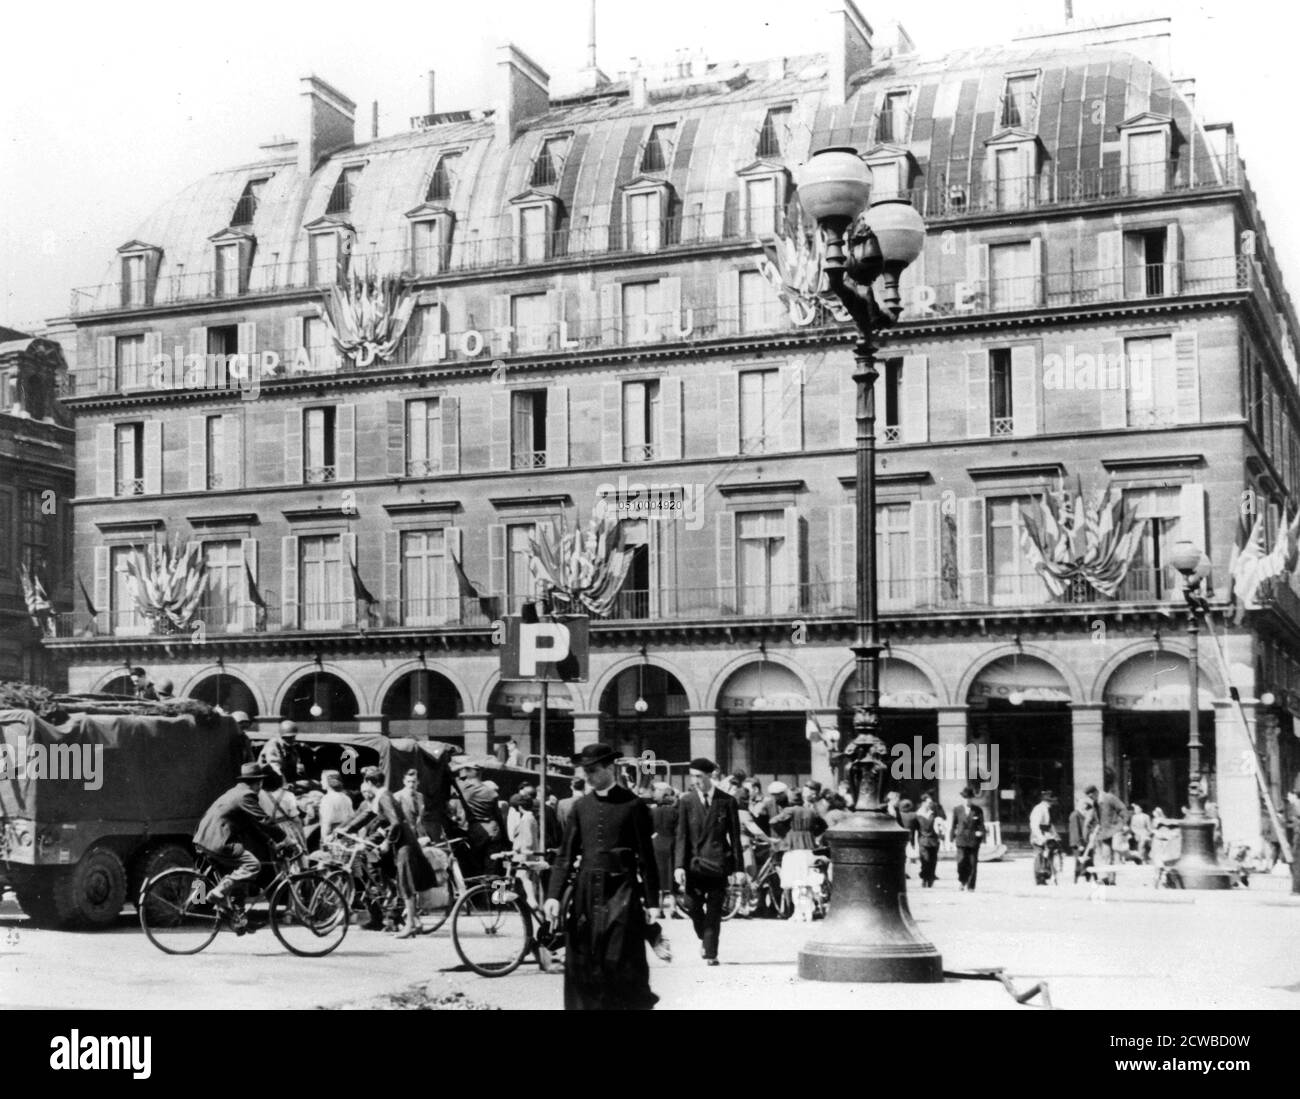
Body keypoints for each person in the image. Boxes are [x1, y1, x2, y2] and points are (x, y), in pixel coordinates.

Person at [544, 742, 661, 1010]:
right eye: (585, 771)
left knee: (620, 957)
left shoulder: (634, 806)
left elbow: (646, 857)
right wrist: (553, 895)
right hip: (586, 891)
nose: (588, 777)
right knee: (583, 958)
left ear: (610, 768)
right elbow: (565, 855)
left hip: (622, 888)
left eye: (593, 770)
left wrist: (653, 901)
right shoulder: (580, 807)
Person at [192, 763, 285, 932]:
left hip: (206, 838)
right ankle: (218, 891)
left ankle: (239, 919)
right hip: (218, 841)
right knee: (252, 865)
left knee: (240, 875)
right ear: (258, 783)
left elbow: (252, 826)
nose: (260, 788)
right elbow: (263, 820)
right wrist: (285, 839)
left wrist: (271, 842)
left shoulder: (235, 792)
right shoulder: (246, 795)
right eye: (260, 784)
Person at [673, 757, 744, 966]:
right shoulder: (686, 801)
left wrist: (739, 868)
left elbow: (735, 837)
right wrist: (678, 865)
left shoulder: (727, 801)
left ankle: (711, 952)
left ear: (710, 776)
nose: (695, 780)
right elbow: (681, 836)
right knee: (692, 905)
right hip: (694, 865)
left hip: (718, 864)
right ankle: (704, 937)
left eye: (699, 776)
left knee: (714, 910)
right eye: (692, 776)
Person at [453, 760, 505, 878]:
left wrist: (461, 765)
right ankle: (499, 895)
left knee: (478, 870)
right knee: (495, 869)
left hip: (475, 832)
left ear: (470, 772)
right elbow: (498, 817)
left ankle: (481, 894)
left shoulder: (465, 788)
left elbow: (450, 773)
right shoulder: (491, 792)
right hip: (494, 832)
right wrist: (505, 839)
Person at [1087, 782, 1129, 886]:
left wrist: (1124, 823)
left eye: (1091, 796)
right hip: (1105, 832)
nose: (1091, 798)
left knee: (1117, 848)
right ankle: (1110, 880)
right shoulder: (1095, 803)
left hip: (1116, 828)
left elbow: (1122, 809)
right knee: (1106, 856)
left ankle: (1133, 856)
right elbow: (1098, 818)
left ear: (1096, 792)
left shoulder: (1109, 798)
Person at [649, 784, 679, 918]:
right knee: (671, 876)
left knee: (658, 876)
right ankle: (673, 908)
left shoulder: (653, 811)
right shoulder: (675, 812)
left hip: (656, 843)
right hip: (671, 843)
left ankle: (659, 908)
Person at [949, 786, 986, 892]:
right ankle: (962, 880)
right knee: (961, 862)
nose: (967, 800)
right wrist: (951, 839)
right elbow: (953, 825)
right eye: (965, 798)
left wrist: (981, 834)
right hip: (961, 840)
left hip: (973, 840)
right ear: (962, 798)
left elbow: (981, 825)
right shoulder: (957, 809)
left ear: (972, 799)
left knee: (972, 863)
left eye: (969, 798)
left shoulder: (978, 810)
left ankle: (971, 886)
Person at [912, 791, 943, 887]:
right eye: (929, 802)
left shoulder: (933, 813)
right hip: (923, 840)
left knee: (933, 861)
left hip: (934, 840)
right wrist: (913, 842)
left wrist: (940, 826)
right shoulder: (917, 815)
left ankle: (930, 878)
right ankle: (924, 878)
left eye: (931, 803)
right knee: (925, 860)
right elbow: (914, 829)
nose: (930, 804)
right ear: (923, 803)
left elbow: (940, 822)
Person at [1028, 790, 1058, 885]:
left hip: (1046, 834)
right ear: (1047, 801)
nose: (1052, 803)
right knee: (1039, 855)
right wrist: (1040, 837)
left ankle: (1045, 875)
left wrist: (1055, 835)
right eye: (1051, 801)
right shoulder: (1038, 809)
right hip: (1039, 834)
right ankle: (1039, 877)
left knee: (1047, 855)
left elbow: (1050, 824)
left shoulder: (1047, 809)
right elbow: (1034, 825)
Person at [317, 770, 353, 844]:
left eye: (322, 779)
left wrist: (323, 839)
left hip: (331, 835)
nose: (321, 782)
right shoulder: (346, 797)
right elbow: (351, 817)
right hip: (344, 833)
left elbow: (327, 823)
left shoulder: (327, 799)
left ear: (329, 782)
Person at [1069, 793, 1098, 883]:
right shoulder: (1075, 815)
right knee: (1079, 862)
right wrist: (1078, 844)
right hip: (1079, 844)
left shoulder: (1084, 815)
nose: (1087, 809)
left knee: (1089, 861)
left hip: (1086, 842)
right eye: (1087, 807)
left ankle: (1090, 877)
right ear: (1083, 805)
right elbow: (1075, 831)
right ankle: (1076, 879)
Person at [395, 768, 428, 840]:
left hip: (420, 834)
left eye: (413, 782)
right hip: (405, 835)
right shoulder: (398, 796)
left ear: (418, 782)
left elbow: (420, 817)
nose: (411, 784)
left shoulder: (420, 796)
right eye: (408, 781)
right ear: (404, 782)